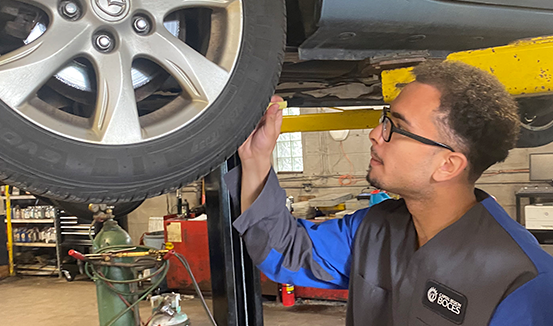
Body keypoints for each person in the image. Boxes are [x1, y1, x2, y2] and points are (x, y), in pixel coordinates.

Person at [224, 61, 553, 325]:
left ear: (448, 165)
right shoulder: (375, 228)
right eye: (385, 120)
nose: (374, 134)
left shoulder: (522, 284)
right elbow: (287, 252)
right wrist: (256, 159)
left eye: (396, 128)